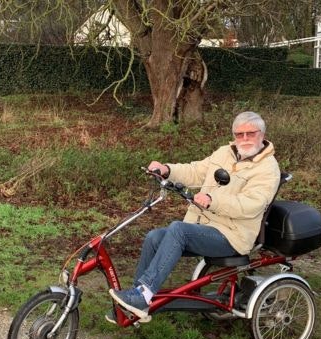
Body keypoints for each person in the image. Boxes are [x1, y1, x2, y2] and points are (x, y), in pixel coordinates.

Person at [108, 111, 280, 321]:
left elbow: (251, 204)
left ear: (261, 134)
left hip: (233, 236)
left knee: (178, 230)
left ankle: (143, 295)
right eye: (239, 134)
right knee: (154, 237)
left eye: (250, 134)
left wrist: (213, 200)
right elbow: (197, 171)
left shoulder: (268, 169)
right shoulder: (224, 153)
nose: (244, 139)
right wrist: (167, 169)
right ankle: (136, 301)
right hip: (204, 226)